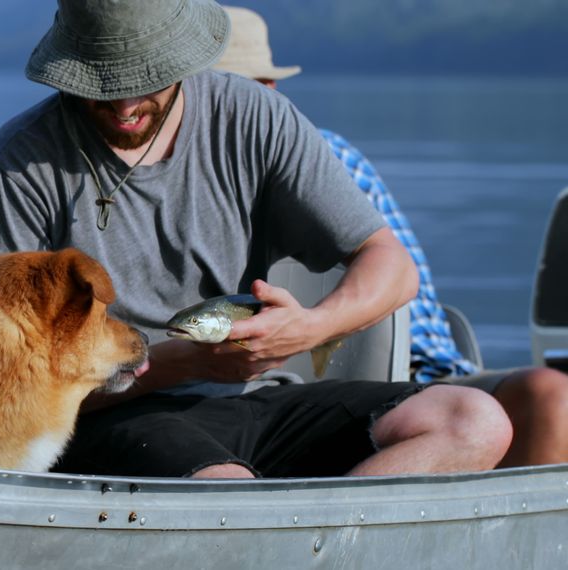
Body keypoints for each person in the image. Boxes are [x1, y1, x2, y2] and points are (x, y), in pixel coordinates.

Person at [0, 0, 512, 479]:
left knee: (474, 422)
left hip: (251, 401)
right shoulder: (18, 166)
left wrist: (309, 329)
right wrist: (179, 363)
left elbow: (392, 266)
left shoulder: (255, 115)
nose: (125, 108)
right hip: (106, 416)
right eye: (101, 86)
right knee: (224, 486)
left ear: (180, 59)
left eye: (144, 81)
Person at [212, 5, 568, 468]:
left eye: (246, 88)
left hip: (424, 375)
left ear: (270, 91)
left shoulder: (327, 156)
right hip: (293, 392)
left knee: (554, 398)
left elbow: (402, 281)